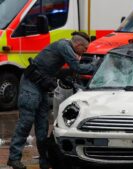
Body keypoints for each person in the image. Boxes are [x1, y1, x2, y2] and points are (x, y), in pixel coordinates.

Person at [7, 31, 99, 169]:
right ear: (78, 44)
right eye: (84, 49)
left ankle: (44, 161)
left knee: (43, 126)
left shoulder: (64, 47)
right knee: (26, 122)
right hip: (30, 85)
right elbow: (77, 67)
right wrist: (96, 66)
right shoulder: (64, 46)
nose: (83, 52)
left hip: (40, 86)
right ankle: (14, 158)